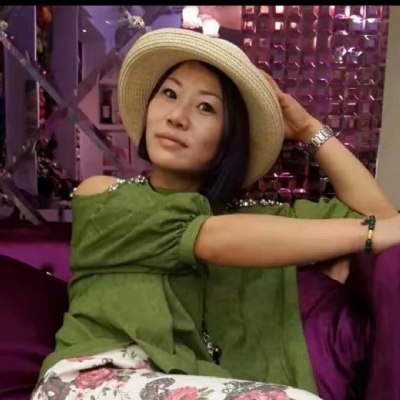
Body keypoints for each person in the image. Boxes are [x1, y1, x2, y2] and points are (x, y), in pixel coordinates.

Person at [31, 28, 400, 400]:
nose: (177, 117)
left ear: (229, 138)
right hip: (91, 381)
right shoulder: (104, 195)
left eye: (205, 107)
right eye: (169, 94)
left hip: (188, 384)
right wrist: (367, 233)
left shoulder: (256, 221)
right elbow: (207, 238)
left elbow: (384, 218)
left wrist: (307, 128)